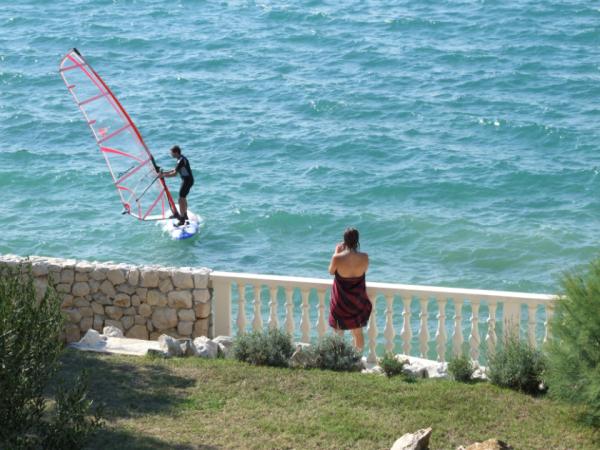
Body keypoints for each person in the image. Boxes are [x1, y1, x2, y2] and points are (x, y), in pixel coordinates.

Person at [328, 227, 372, 352]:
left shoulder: (337, 258)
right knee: (358, 333)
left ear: (344, 241)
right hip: (357, 300)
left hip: (340, 301)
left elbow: (331, 271)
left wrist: (336, 252)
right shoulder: (365, 257)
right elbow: (363, 271)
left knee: (338, 333)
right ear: (357, 241)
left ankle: (338, 359)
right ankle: (357, 358)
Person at [158, 145, 194, 226]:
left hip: (187, 181)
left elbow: (174, 174)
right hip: (187, 180)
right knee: (183, 198)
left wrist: (163, 176)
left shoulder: (181, 160)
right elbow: (174, 170)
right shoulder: (180, 159)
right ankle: (185, 215)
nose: (171, 154)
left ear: (176, 152)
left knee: (181, 199)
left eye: (171, 153)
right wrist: (164, 172)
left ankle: (182, 220)